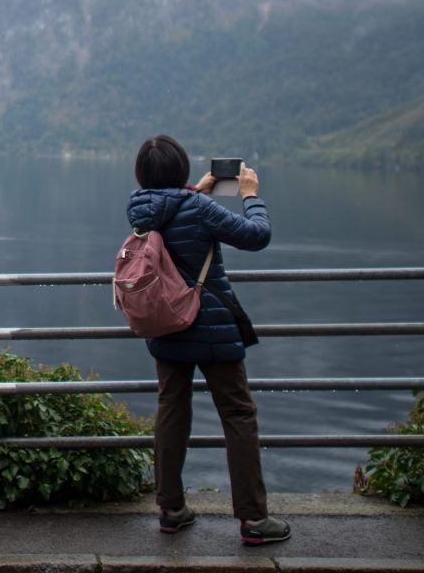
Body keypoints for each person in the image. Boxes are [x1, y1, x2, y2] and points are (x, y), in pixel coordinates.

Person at [126, 135, 291, 547]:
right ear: (180, 170)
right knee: (237, 414)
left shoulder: (142, 210)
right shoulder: (199, 208)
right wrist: (250, 195)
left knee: (171, 410)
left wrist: (192, 191)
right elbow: (257, 235)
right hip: (212, 325)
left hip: (165, 323)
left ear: (142, 175)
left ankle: (171, 509)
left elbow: (172, 213)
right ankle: (254, 519)